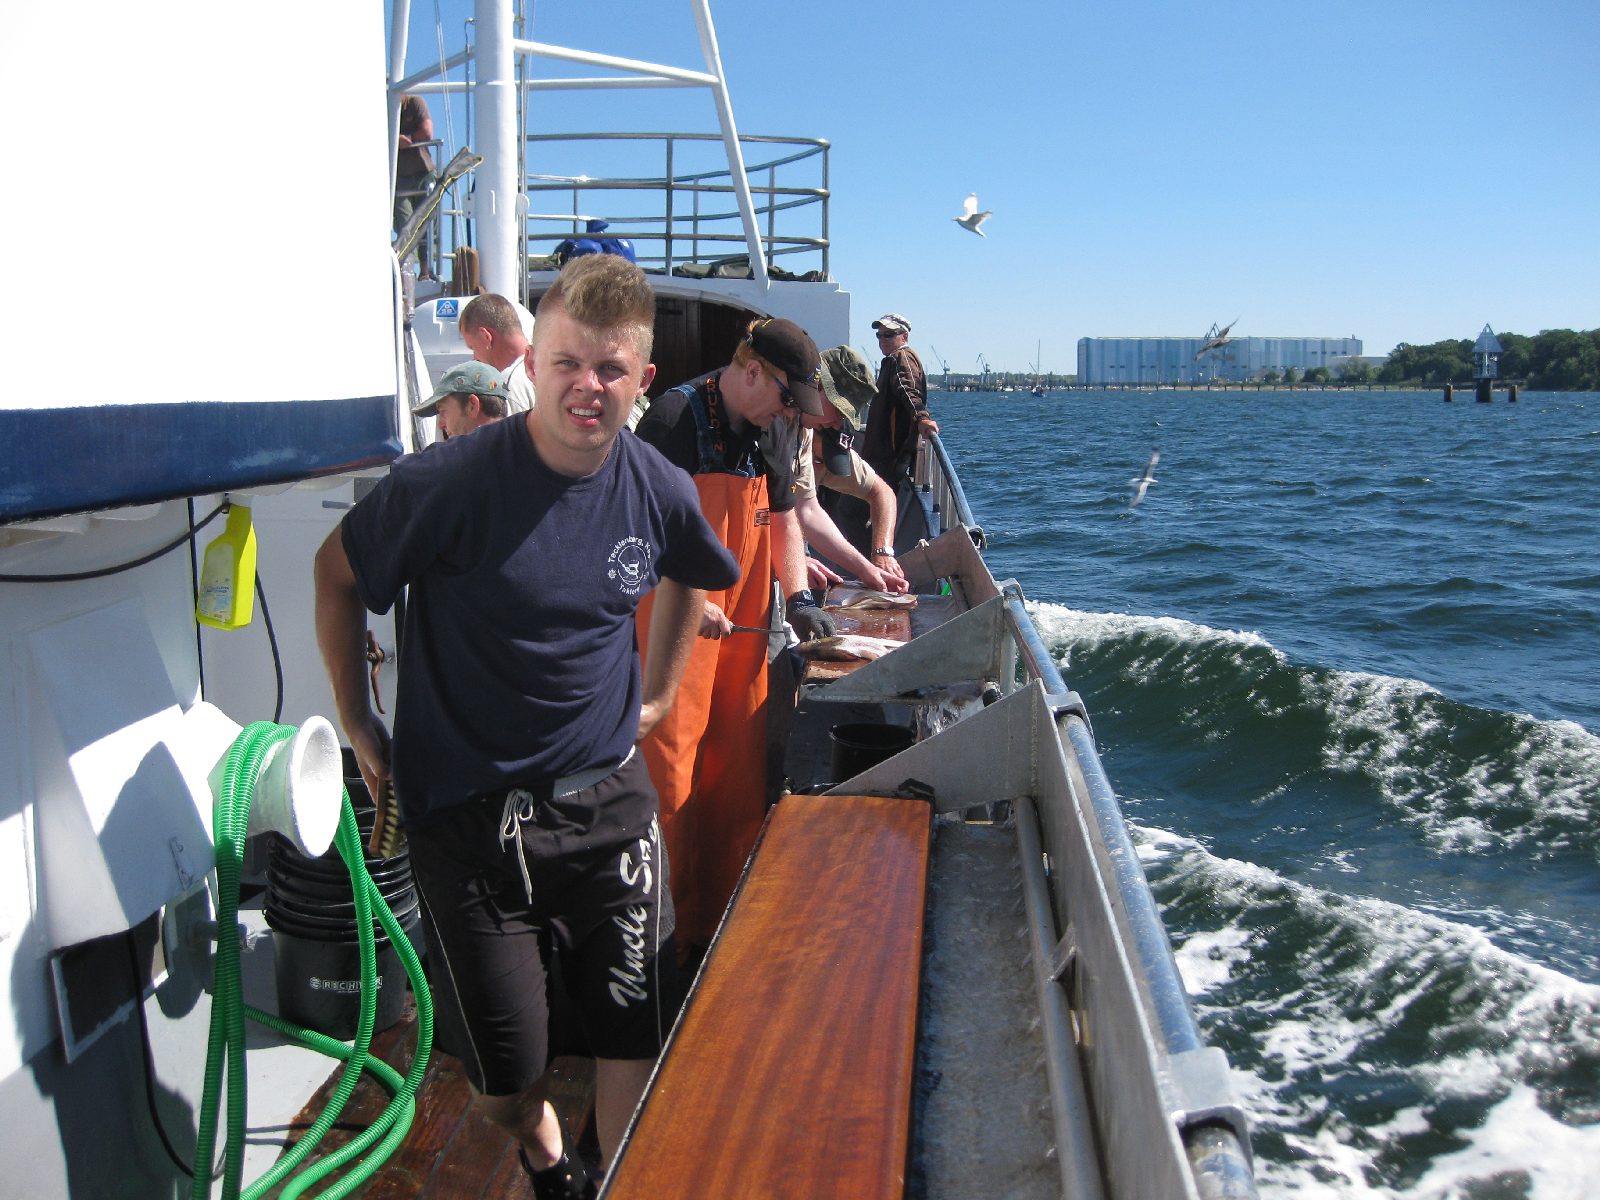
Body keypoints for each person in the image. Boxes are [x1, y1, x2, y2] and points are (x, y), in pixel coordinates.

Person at [313, 254, 740, 1198]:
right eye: (567, 363)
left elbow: (694, 571)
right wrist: (358, 719)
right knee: (505, 1088)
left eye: (610, 369)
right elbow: (335, 575)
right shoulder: (446, 483)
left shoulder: (657, 487)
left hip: (609, 811)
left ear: (642, 378)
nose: (587, 386)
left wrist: (658, 697)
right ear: (533, 363)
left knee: (636, 1038)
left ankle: (609, 1179)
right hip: (468, 828)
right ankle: (545, 1152)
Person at [631, 316, 833, 953]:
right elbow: (635, 537)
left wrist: (798, 597)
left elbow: (782, 516)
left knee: (737, 766)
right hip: (675, 621)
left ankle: (725, 925)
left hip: (741, 622)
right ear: (751, 371)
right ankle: (666, 942)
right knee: (672, 772)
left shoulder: (773, 429)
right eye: (786, 397)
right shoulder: (672, 421)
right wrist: (689, 606)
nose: (789, 412)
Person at [778, 345, 909, 591]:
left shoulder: (803, 432)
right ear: (818, 385)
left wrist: (875, 560)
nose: (837, 422)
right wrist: (790, 558)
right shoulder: (773, 423)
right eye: (838, 411)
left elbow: (807, 510)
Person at [861, 312, 939, 485]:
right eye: (879, 335)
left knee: (874, 496)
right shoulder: (893, 359)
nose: (882, 339)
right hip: (885, 452)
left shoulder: (901, 357)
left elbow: (908, 389)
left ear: (904, 336)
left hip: (889, 452)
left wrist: (922, 418)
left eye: (889, 334)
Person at [460, 293, 536, 413]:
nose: (474, 358)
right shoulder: (550, 364)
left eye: (473, 347)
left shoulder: (508, 387)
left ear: (485, 337)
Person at [411, 360, 510, 441]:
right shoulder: (513, 449)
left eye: (443, 412)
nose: (440, 425)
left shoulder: (478, 457)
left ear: (472, 406)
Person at [394, 93, 437, 278]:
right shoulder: (384, 109)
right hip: (399, 177)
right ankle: (406, 274)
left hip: (423, 173)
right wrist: (396, 140)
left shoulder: (415, 103)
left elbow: (427, 131)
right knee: (404, 225)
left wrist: (408, 138)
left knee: (425, 223)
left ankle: (425, 272)